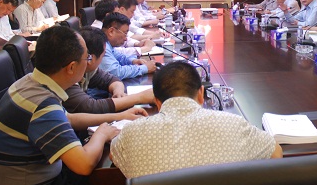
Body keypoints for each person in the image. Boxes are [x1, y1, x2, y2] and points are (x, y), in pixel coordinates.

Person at [0, 26, 147, 185]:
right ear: (71, 67)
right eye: (87, 58)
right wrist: (101, 134)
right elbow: (84, 165)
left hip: (34, 184)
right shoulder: (42, 105)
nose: (89, 63)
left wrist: (118, 117)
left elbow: (69, 118)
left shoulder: (29, 82)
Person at [110, 61, 282, 178]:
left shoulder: (132, 133)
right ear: (201, 94)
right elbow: (275, 153)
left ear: (157, 102)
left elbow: (114, 155)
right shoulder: (233, 124)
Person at [63, 27, 155, 113]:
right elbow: (90, 107)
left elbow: (110, 79)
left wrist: (118, 91)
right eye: (103, 56)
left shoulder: (87, 69)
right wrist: (140, 97)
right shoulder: (70, 77)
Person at [99, 12, 157, 80]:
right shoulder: (100, 44)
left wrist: (133, 61)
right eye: (125, 33)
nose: (126, 39)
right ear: (111, 31)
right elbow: (116, 72)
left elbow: (119, 57)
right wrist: (144, 68)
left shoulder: (107, 43)